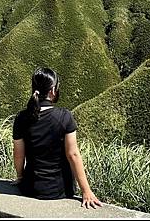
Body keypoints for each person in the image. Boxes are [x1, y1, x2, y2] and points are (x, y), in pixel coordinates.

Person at [12, 67, 102, 209]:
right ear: (53, 91)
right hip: (59, 190)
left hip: (29, 188)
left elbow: (18, 154)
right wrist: (86, 190)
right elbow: (73, 154)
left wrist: (21, 177)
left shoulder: (21, 117)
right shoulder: (64, 116)